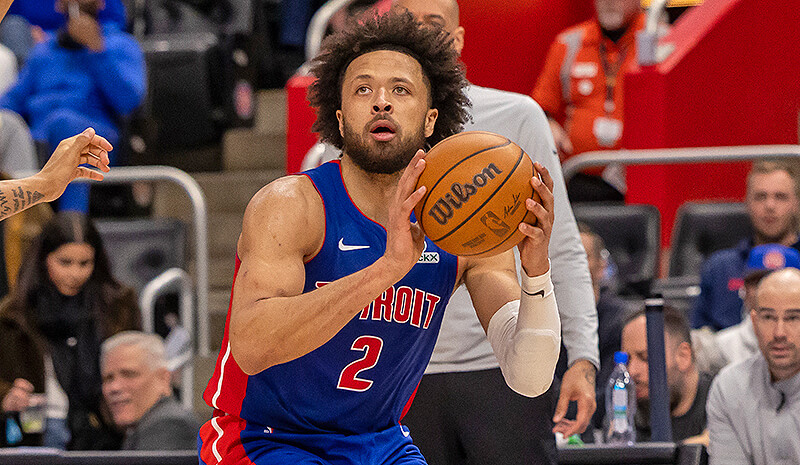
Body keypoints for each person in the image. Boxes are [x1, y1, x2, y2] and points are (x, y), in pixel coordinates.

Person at [199, 11, 562, 465]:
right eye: (363, 89)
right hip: (269, 438)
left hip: (379, 441)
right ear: (340, 116)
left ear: (431, 120)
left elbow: (529, 375)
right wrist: (386, 269)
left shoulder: (465, 226)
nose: (381, 102)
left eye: (400, 90)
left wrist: (536, 273)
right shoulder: (293, 204)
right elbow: (251, 348)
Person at [307, 2, 599, 462]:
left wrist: (583, 355)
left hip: (495, 361)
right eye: (409, 25)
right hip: (390, 371)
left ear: (459, 40)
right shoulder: (356, 140)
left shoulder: (515, 116)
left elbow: (558, 246)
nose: (419, 36)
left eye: (434, 26)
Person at [0, 211, 140, 449]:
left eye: (85, 263)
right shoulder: (13, 315)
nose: (75, 274)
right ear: (44, 259)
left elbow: (135, 365)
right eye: (65, 262)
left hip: (108, 430)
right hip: (34, 435)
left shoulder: (118, 306)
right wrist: (6, 396)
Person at [0, 0, 144, 213]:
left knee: (67, 126)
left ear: (102, 3)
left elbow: (128, 102)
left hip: (97, 138)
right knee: (9, 126)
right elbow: (10, 103)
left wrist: (97, 50)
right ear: (59, 5)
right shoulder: (43, 52)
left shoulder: (121, 45)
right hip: (38, 140)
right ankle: (20, 230)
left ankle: (71, 231)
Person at [531, 0, 645, 202]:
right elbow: (540, 107)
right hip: (580, 176)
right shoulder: (569, 43)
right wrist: (548, 124)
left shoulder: (661, 40)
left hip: (641, 177)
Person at [691, 160, 800, 331]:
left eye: (780, 197)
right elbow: (698, 338)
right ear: (746, 202)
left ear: (796, 204)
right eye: (760, 196)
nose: (769, 206)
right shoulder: (719, 267)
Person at [706, 268, 800, 465]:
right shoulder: (729, 387)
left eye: (793, 318)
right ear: (754, 323)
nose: (779, 333)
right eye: (768, 317)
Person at [693, 244, 800, 375]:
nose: (767, 289)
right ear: (744, 291)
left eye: (780, 282)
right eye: (757, 283)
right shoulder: (720, 350)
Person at [620, 307, 713, 443]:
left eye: (645, 358)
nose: (632, 371)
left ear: (683, 356)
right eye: (627, 360)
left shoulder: (722, 402)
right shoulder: (623, 410)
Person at [101, 331, 200, 450]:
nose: (114, 387)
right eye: (108, 378)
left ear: (163, 378)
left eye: (129, 374)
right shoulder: (143, 427)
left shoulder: (169, 424)